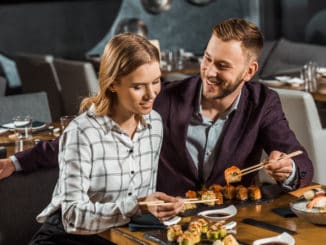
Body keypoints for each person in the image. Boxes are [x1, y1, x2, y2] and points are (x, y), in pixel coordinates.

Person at [0, 18, 313, 197]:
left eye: (222, 65)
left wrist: (287, 171)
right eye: (206, 58)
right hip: (162, 223)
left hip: (230, 224)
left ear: (249, 72)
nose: (208, 71)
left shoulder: (263, 103)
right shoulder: (164, 97)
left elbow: (301, 165)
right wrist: (17, 161)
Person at [28, 33, 184, 245]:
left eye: (156, 81)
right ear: (112, 84)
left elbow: (140, 200)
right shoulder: (82, 132)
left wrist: (155, 205)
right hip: (67, 238)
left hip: (118, 237)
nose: (151, 94)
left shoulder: (154, 124)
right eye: (138, 86)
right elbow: (72, 216)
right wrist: (136, 206)